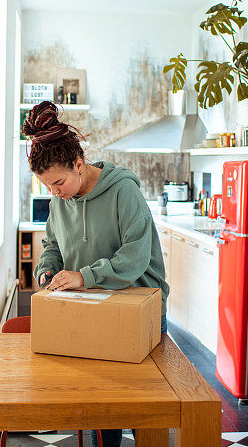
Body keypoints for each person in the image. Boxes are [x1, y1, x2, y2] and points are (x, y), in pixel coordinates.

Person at [22, 101, 169, 447]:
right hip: (93, 309)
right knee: (100, 410)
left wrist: (83, 276)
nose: (54, 193)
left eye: (58, 182)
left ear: (78, 164)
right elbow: (54, 244)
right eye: (47, 187)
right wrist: (48, 271)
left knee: (144, 414)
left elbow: (134, 258)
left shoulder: (124, 192)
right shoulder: (60, 200)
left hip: (139, 310)